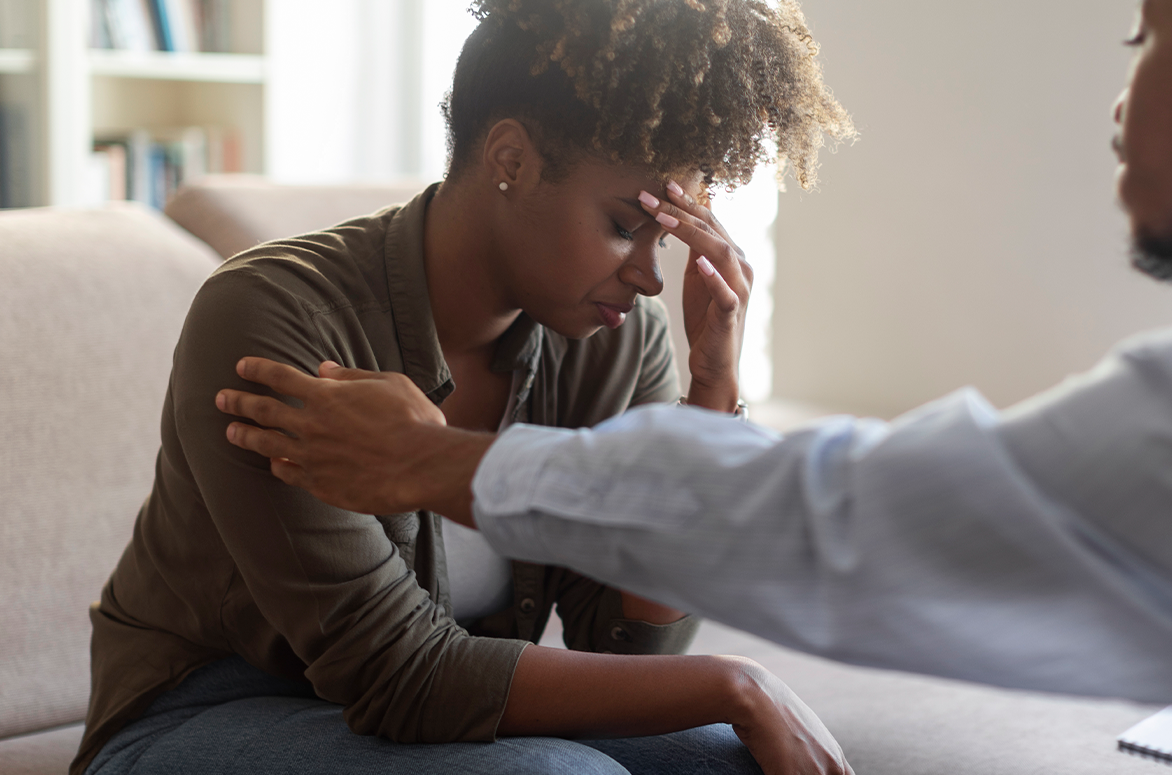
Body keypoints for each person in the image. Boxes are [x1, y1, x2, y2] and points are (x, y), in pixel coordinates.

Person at [217, 0, 1172, 773]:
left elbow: (844, 523)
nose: (1118, 99)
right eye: (628, 223)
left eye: (1143, 32)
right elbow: (401, 672)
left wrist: (443, 461)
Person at [74, 2, 860, 775]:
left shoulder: (615, 340)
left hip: (429, 709)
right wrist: (737, 681)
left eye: (667, 237)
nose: (652, 277)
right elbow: (399, 673)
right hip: (204, 713)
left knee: (735, 765)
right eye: (627, 225)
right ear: (511, 159)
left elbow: (624, 642)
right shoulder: (274, 316)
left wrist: (713, 398)